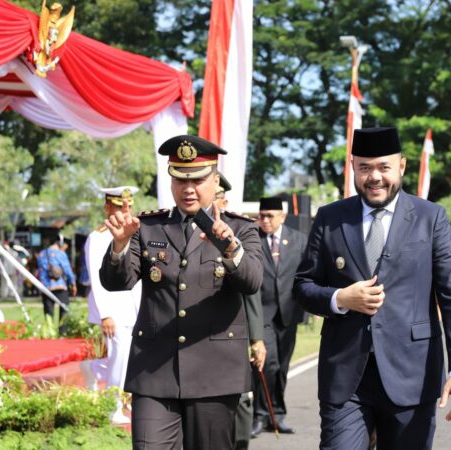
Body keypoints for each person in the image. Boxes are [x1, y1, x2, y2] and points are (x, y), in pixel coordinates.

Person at [294, 127, 451, 450]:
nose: (374, 177)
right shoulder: (330, 218)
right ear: (353, 168)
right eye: (364, 168)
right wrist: (339, 298)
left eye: (383, 167)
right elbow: (302, 286)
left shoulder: (430, 218)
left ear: (401, 166)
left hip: (412, 374)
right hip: (346, 378)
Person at [99, 135, 264, 450]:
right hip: (154, 370)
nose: (188, 188)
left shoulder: (241, 229)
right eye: (179, 180)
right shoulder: (148, 227)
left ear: (215, 181)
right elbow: (117, 282)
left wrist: (230, 249)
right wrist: (119, 247)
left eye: (198, 180)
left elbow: (252, 282)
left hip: (215, 372)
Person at [213, 174, 268, 450]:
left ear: (223, 200)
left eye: (216, 197)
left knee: (240, 396)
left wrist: (256, 338)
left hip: (235, 330)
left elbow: (251, 292)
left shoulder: (238, 230)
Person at [81, 186, 143, 425]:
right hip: (114, 309)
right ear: (108, 207)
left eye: (128, 205)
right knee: (118, 356)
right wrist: (105, 314)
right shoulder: (98, 237)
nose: (125, 210)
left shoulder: (137, 231)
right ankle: (113, 406)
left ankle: (95, 373)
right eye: (119, 206)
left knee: (126, 356)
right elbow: (97, 279)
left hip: (134, 306)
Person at [251, 196, 308, 437]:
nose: (265, 220)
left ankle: (278, 414)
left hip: (289, 313)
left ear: (282, 217)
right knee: (267, 365)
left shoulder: (298, 240)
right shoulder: (252, 239)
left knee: (282, 367)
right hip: (262, 314)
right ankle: (259, 415)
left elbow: (305, 275)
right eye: (262, 216)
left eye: (270, 216)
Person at [37, 235, 76, 335]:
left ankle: (49, 332)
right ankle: (62, 332)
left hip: (46, 287)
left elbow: (40, 271)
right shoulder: (60, 254)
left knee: (48, 312)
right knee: (64, 309)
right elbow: (67, 269)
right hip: (60, 285)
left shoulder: (41, 254)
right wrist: (73, 282)